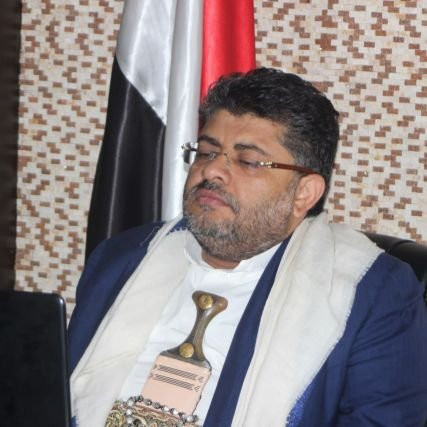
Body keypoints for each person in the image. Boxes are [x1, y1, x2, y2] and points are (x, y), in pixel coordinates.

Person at [68, 68, 427, 426]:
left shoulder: (369, 293)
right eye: (207, 152)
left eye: (248, 162)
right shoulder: (123, 259)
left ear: (304, 193)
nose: (212, 171)